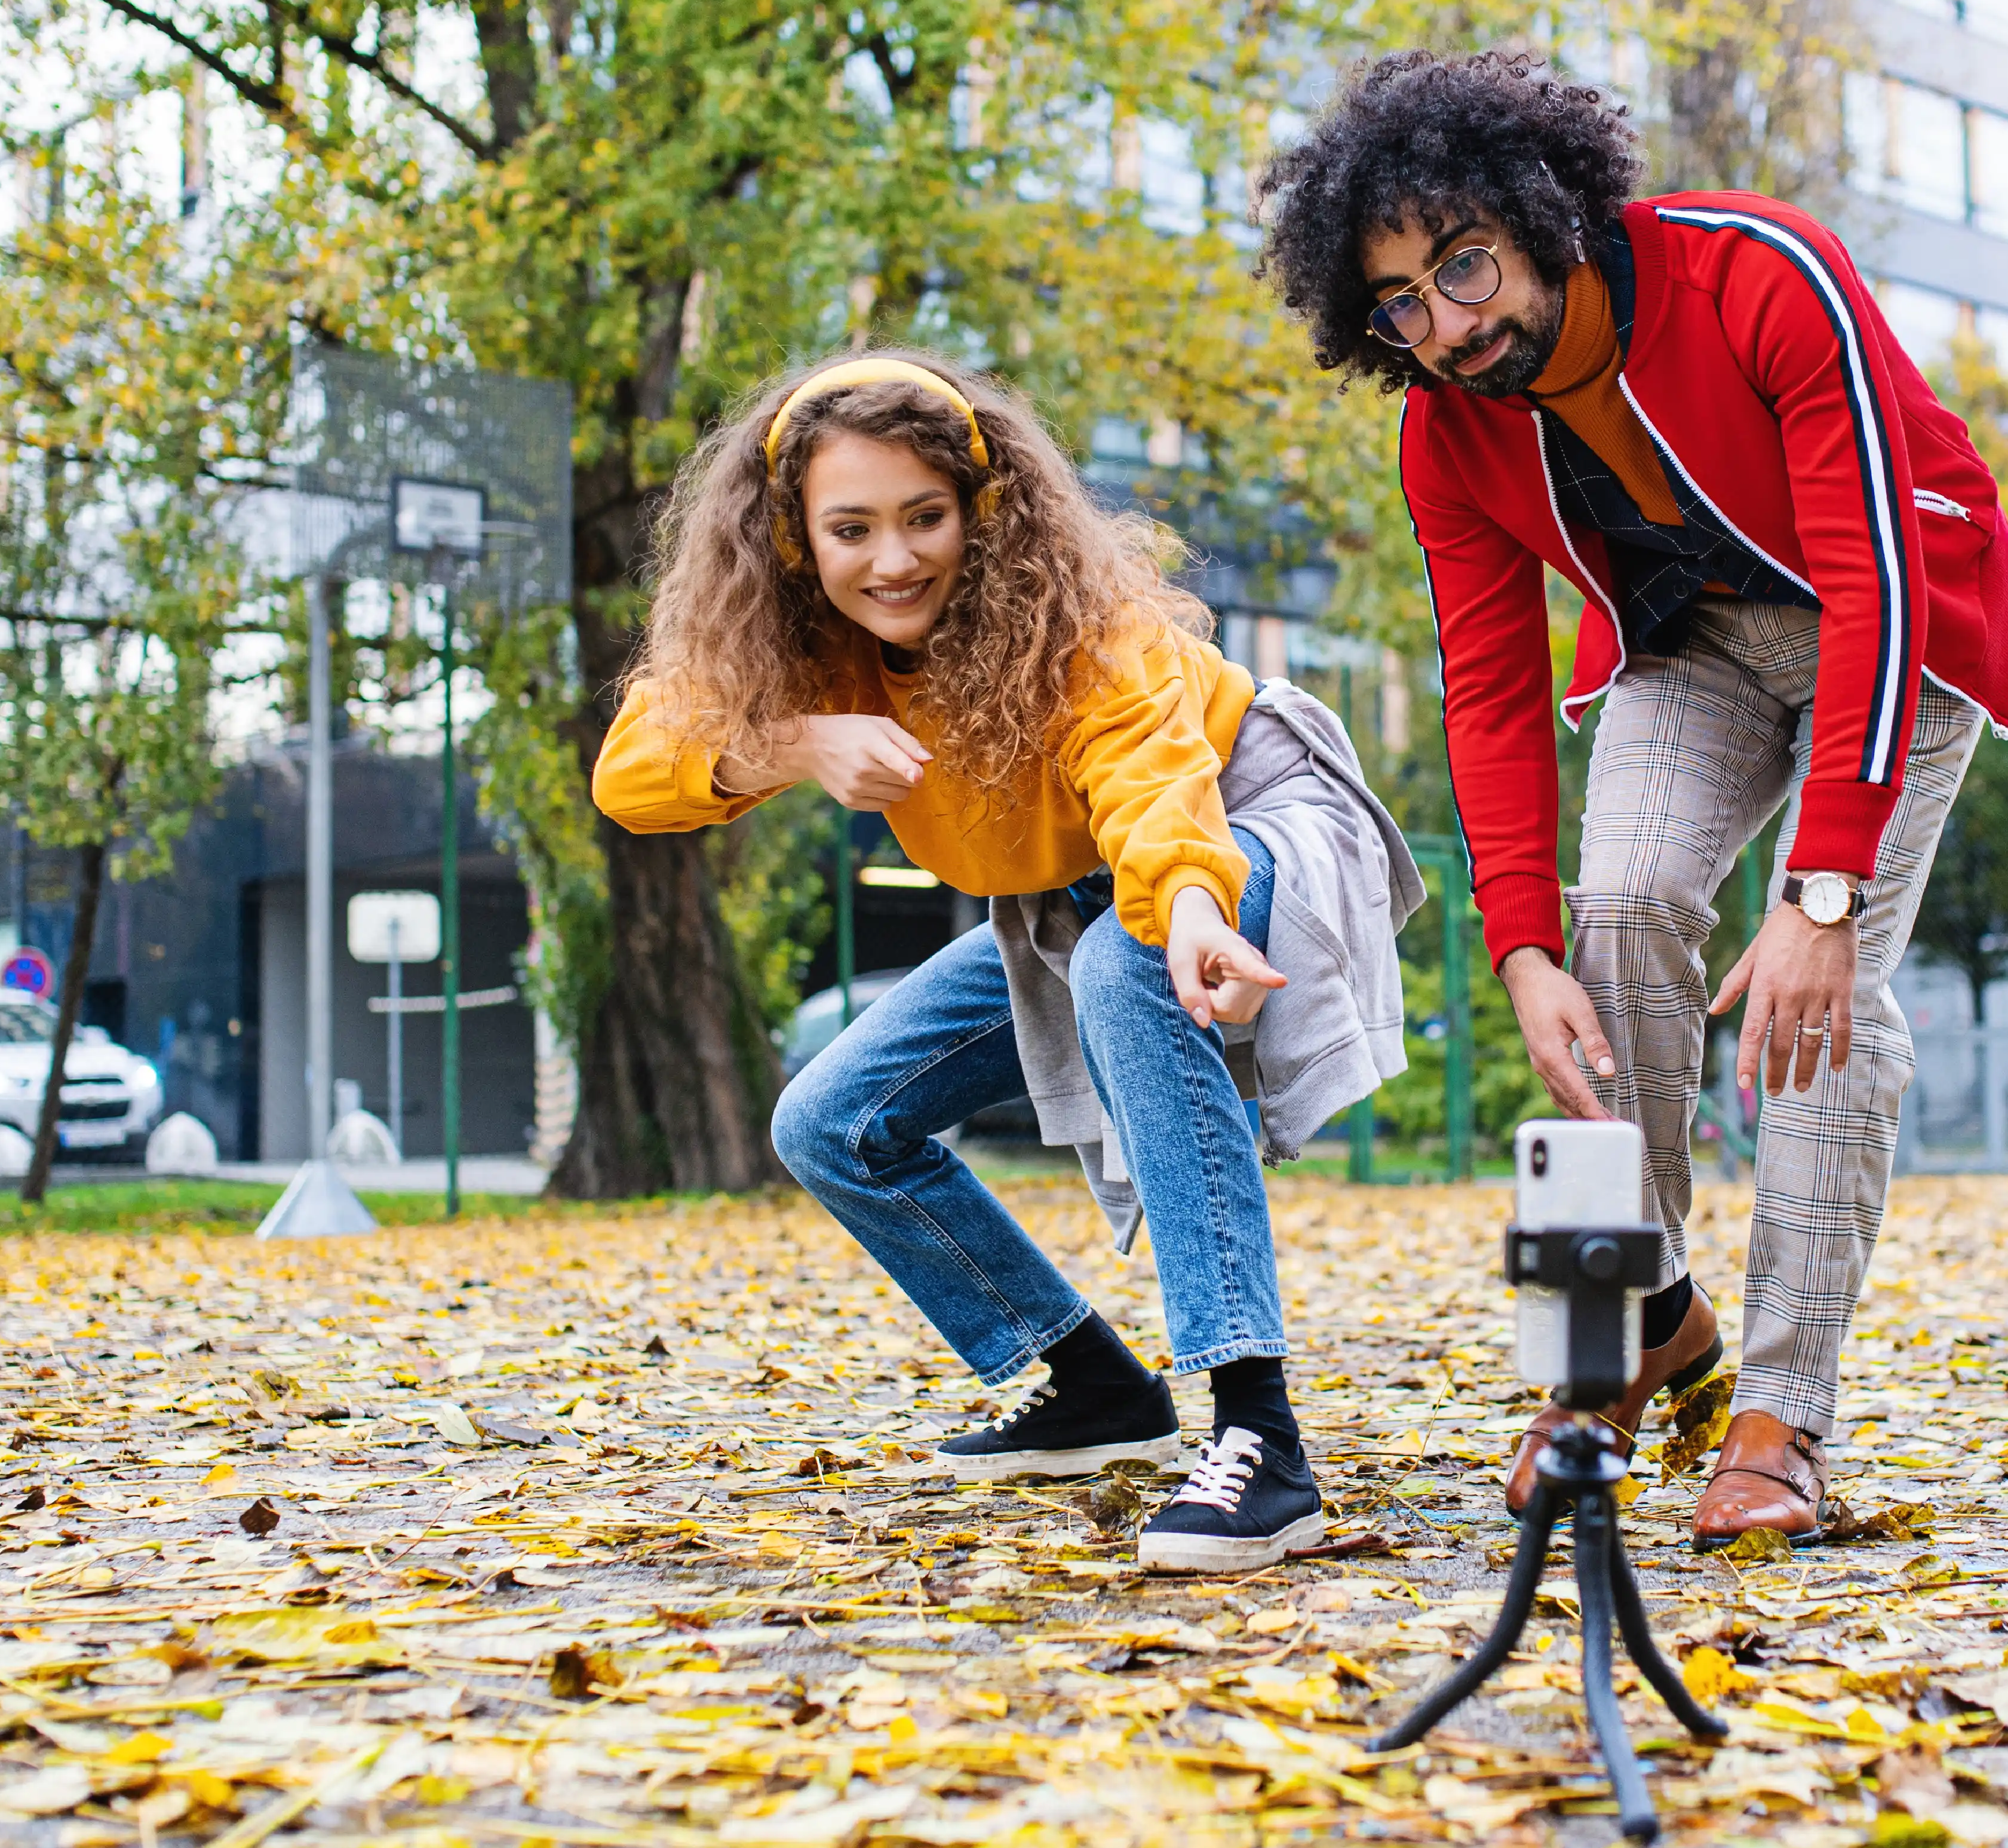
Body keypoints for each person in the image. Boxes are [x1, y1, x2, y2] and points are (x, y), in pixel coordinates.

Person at [1257, 52, 2008, 1548]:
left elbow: (1872, 570)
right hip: (1690, 648)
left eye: (1464, 265)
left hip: (1899, 623)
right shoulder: (1446, 427)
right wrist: (1522, 948)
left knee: (1829, 997)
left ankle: (1784, 1413)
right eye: (1400, 303)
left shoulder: (1760, 273)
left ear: (1544, 210)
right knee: (1614, 917)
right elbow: (1484, 685)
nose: (1447, 325)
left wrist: (1822, 894)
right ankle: (1614, 1345)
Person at [593, 352, 1416, 1574]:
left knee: (1123, 970)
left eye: (925, 517)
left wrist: (1191, 906)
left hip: (1246, 816)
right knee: (833, 1117)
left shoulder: (1080, 619)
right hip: (1067, 896)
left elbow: (1153, 783)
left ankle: (1262, 1441)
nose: (894, 558)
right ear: (793, 538)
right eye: (852, 528)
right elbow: (631, 772)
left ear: (982, 509)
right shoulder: (810, 656)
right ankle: (1092, 1382)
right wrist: (791, 743)